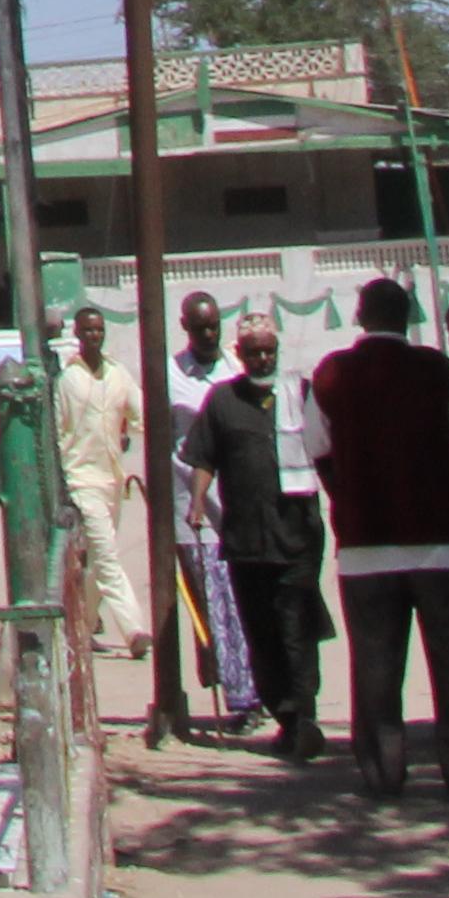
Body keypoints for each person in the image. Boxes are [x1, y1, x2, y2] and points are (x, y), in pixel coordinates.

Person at [303, 273, 449, 798]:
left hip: (367, 550)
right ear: (408, 317)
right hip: (445, 546)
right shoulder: (437, 369)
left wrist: (349, 495)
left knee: (377, 670)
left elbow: (316, 449)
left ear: (360, 316)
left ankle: (383, 772)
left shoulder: (331, 375)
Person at [177, 318, 322, 760]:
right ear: (239, 355)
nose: (263, 360)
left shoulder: (300, 395)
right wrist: (198, 502)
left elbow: (328, 450)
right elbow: (203, 458)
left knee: (296, 628)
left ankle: (305, 718)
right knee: (262, 634)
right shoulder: (222, 401)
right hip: (246, 541)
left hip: (296, 536)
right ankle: (284, 715)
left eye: (269, 352)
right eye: (254, 353)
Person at [165, 291, 254, 728]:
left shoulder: (237, 371)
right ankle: (239, 697)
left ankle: (254, 689)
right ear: (185, 327)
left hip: (239, 505)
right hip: (193, 512)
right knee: (216, 607)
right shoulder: (170, 376)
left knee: (245, 603)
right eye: (200, 327)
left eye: (214, 325)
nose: (209, 334)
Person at [54, 306, 147, 653]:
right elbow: (58, 431)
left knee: (95, 562)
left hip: (112, 480)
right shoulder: (67, 380)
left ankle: (83, 625)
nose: (95, 335)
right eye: (88, 330)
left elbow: (140, 415)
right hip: (80, 480)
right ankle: (134, 630)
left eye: (99, 330)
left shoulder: (118, 374)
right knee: (107, 556)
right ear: (77, 334)